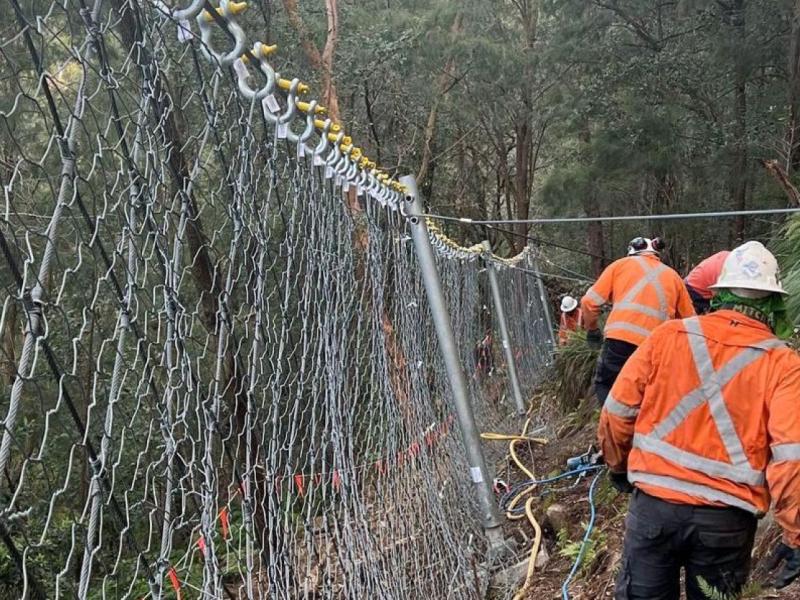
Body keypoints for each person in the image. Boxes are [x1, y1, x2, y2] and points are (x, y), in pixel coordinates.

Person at [597, 240, 800, 600]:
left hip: (654, 508)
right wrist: (795, 534)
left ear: (718, 293)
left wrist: (617, 466)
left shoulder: (667, 336)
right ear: (772, 302)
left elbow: (617, 411)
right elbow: (791, 460)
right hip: (726, 521)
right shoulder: (784, 365)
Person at [581, 236, 695, 406]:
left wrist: (592, 330)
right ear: (656, 254)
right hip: (655, 348)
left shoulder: (620, 266)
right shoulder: (674, 278)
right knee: (647, 396)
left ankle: (612, 426)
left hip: (620, 341)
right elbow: (691, 322)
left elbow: (588, 302)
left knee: (607, 385)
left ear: (631, 252)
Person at [684, 250, 730, 314]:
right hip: (694, 292)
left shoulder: (727, 258)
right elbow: (718, 295)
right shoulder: (725, 266)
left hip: (694, 286)